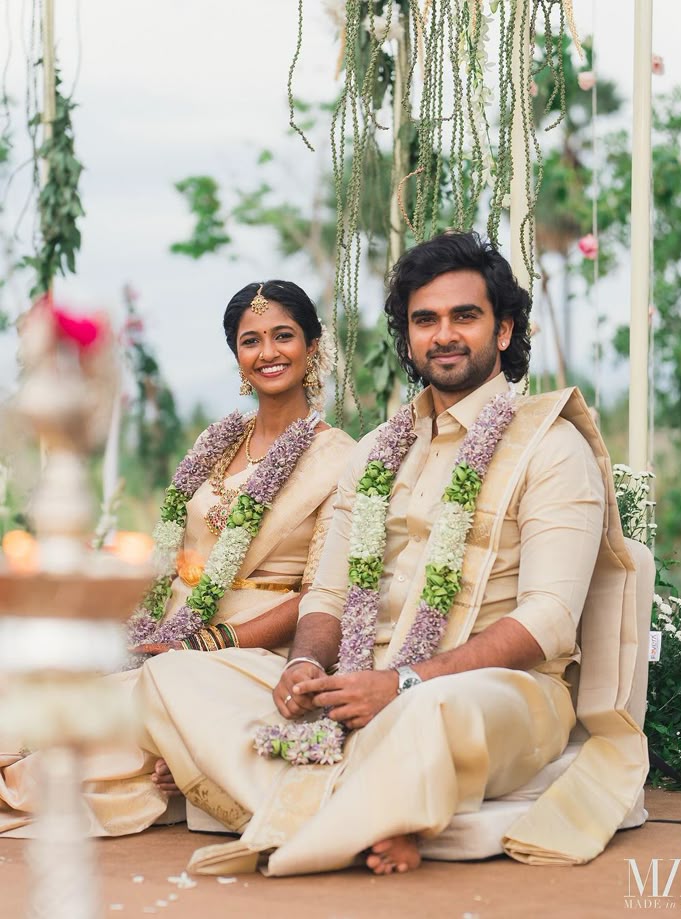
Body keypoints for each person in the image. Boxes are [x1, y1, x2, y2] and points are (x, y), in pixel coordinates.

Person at [112, 231, 646, 874]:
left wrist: (403, 682)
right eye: (426, 320)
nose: (443, 334)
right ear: (409, 337)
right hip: (359, 678)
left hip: (490, 690)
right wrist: (304, 665)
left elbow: (549, 619)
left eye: (464, 316)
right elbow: (332, 594)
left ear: (503, 331)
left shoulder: (552, 448)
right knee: (175, 675)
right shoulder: (376, 452)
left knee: (432, 713)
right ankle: (367, 810)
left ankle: (324, 805)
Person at [0, 280, 355, 836]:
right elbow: (177, 558)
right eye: (251, 341)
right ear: (236, 356)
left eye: (283, 336)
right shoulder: (215, 442)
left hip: (253, 647)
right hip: (175, 628)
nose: (268, 353)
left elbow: (322, 594)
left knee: (109, 713)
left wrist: (206, 643)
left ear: (314, 348)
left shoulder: (342, 459)